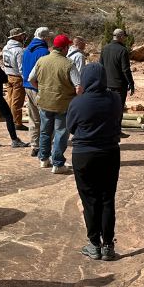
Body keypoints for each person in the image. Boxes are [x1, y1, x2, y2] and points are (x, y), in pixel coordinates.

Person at [67, 63, 123, 261]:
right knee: (107, 198)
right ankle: (108, 244)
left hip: (84, 154)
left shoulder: (78, 103)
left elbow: (71, 127)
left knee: (89, 199)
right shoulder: (115, 99)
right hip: (109, 152)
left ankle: (93, 244)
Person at [29, 34, 80, 174]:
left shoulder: (42, 60)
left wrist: (41, 89)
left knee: (45, 131)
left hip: (44, 102)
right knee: (61, 133)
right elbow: (78, 87)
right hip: (63, 105)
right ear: (64, 48)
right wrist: (77, 100)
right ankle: (57, 163)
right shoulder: (68, 64)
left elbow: (31, 79)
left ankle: (43, 159)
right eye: (68, 47)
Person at [21, 27, 52, 157]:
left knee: (33, 119)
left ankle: (34, 145)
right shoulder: (44, 52)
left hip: (27, 86)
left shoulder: (27, 50)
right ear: (44, 37)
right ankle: (44, 147)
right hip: (38, 87)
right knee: (45, 119)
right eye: (49, 37)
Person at [100, 28, 135, 111]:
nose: (125, 39)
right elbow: (125, 70)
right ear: (121, 37)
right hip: (119, 86)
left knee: (108, 109)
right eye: (124, 37)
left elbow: (100, 66)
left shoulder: (104, 48)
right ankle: (117, 124)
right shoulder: (123, 50)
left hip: (106, 85)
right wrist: (131, 83)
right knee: (118, 110)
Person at [1, 28, 29, 130]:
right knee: (17, 102)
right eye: (21, 35)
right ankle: (17, 123)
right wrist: (25, 79)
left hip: (8, 75)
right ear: (16, 37)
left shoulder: (5, 47)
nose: (23, 37)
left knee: (10, 99)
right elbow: (21, 67)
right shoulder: (19, 50)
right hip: (17, 77)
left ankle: (10, 119)